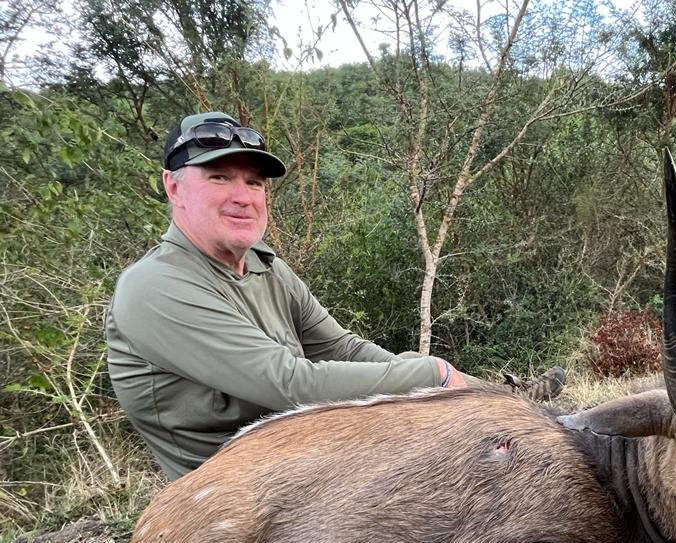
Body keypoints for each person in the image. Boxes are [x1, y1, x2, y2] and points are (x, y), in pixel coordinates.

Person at [106, 111, 469, 481]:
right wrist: (433, 374)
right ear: (173, 187)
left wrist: (452, 386)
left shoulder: (267, 266)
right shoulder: (154, 286)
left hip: (310, 456)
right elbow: (289, 383)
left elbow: (343, 349)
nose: (243, 197)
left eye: (254, 183)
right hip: (240, 497)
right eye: (219, 177)